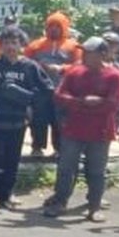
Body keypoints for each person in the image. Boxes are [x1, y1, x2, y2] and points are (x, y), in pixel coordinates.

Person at [43, 37, 119, 222]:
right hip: (74, 128)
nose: (86, 56)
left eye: (91, 52)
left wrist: (87, 103)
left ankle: (94, 206)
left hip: (101, 131)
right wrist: (82, 102)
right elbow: (59, 96)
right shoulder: (74, 71)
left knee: (96, 170)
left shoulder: (115, 75)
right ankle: (60, 201)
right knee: (66, 168)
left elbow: (114, 104)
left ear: (103, 54)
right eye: (85, 52)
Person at [0, 27, 52, 211]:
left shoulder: (30, 67)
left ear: (22, 45)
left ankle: (5, 197)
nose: (10, 47)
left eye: (14, 42)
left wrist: (26, 98)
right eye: (6, 43)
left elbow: (46, 91)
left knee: (11, 163)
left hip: (18, 123)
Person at [24, 12, 81, 156]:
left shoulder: (73, 46)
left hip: (63, 90)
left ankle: (59, 149)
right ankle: (37, 147)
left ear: (65, 27)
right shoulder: (35, 45)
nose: (54, 29)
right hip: (39, 90)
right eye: (51, 26)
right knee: (38, 120)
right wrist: (38, 66)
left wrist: (61, 68)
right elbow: (25, 62)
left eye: (58, 26)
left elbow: (79, 65)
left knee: (59, 121)